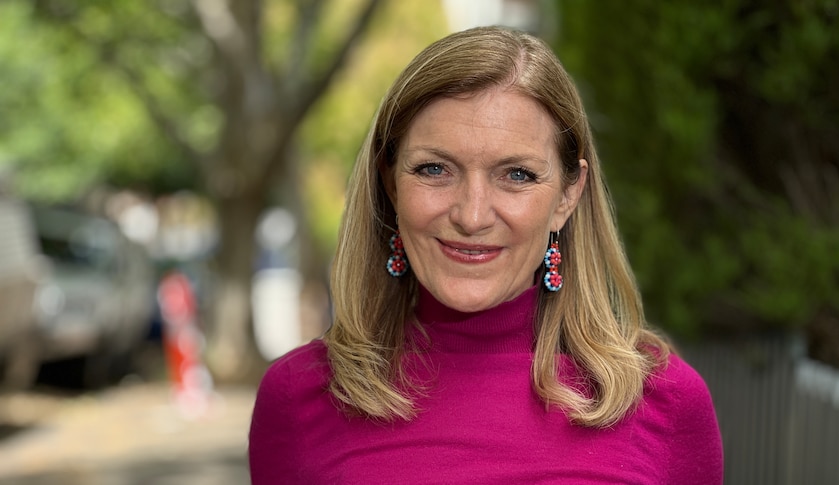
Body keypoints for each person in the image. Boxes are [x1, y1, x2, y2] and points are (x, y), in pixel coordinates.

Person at [249, 26, 723, 484]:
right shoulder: (299, 398)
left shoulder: (666, 402)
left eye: (516, 175)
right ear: (390, 182)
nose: (472, 216)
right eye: (435, 169)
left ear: (567, 196)